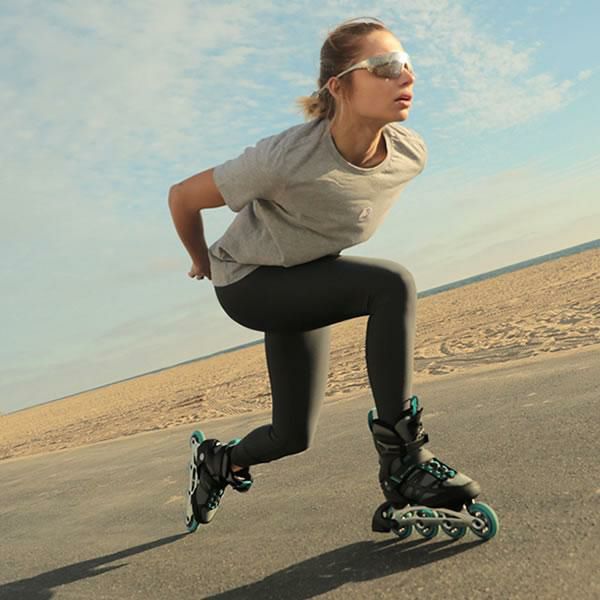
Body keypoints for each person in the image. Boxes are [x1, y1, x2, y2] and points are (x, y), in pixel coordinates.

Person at [169, 16, 481, 533]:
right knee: (391, 285)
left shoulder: (409, 153)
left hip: (305, 278)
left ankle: (219, 461)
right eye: (386, 66)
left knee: (293, 435)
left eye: (407, 64)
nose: (406, 76)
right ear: (339, 86)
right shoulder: (284, 158)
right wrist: (201, 260)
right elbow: (182, 197)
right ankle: (404, 462)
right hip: (250, 284)